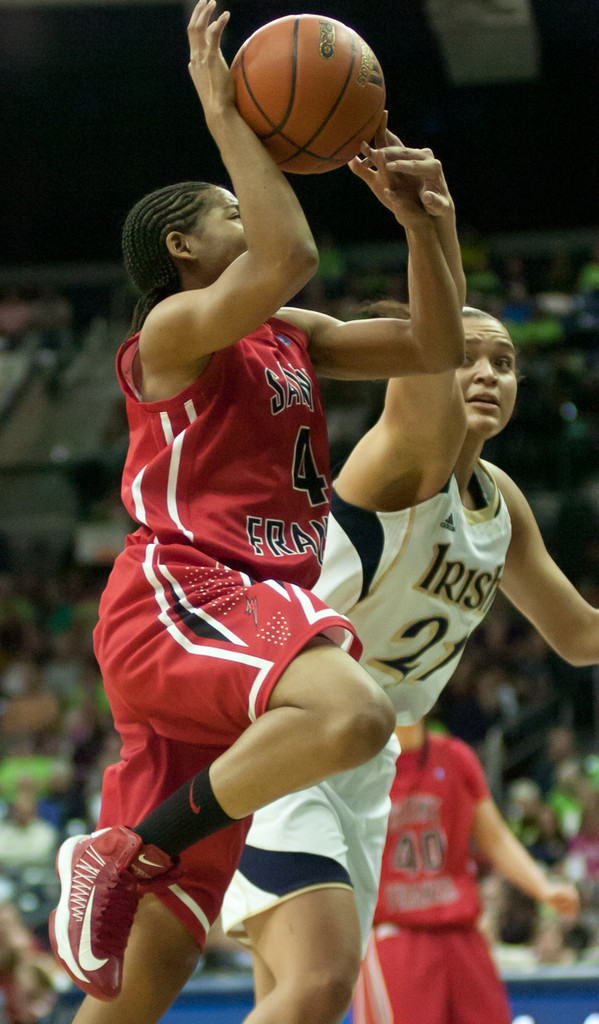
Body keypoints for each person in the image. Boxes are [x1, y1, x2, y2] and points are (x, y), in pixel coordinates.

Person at [48, 0, 466, 1014]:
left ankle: (132, 859)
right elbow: (288, 254)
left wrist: (428, 222)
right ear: (184, 247)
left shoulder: (289, 333)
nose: (251, 210)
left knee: (139, 983)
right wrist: (227, 112)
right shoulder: (174, 333)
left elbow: (433, 344)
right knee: (356, 712)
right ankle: (129, 849)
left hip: (241, 626)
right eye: (229, 206)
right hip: (186, 590)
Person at [220, 297, 599, 1024]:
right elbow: (416, 345)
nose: (488, 373)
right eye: (467, 356)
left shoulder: (501, 502)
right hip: (288, 730)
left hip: (365, 762)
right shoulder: (396, 459)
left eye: (505, 363)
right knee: (318, 985)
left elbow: (578, 636)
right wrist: (426, 222)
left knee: (298, 999)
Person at [352, 720, 579, 1024]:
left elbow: (494, 836)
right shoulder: (356, 763)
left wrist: (543, 887)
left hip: (461, 931)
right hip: (394, 933)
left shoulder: (457, 757)